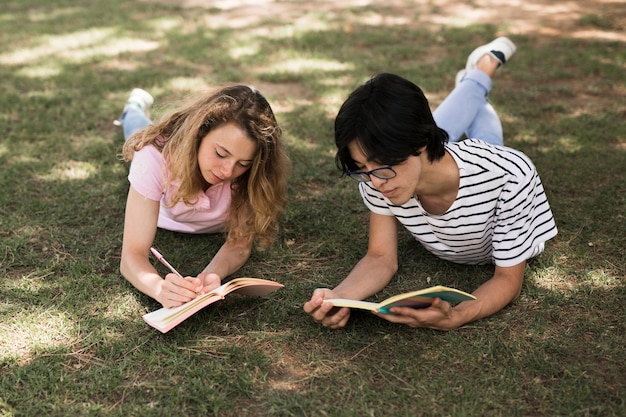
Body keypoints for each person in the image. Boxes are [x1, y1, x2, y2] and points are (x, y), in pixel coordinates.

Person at [304, 37, 558, 330]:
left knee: (487, 146)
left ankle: (484, 67)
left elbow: (507, 279)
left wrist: (458, 315)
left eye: (383, 164)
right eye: (362, 168)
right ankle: (479, 71)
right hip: (443, 157)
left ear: (422, 142)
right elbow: (380, 257)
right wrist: (339, 297)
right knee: (448, 134)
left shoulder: (510, 176)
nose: (375, 181)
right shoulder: (380, 177)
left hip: (478, 167)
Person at [117, 85, 290, 308]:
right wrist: (159, 289)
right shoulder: (154, 156)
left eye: (242, 163)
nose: (227, 171)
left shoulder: (253, 175)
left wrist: (210, 276)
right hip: (163, 205)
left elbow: (239, 243)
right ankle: (133, 107)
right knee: (138, 133)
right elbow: (132, 255)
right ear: (199, 134)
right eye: (220, 153)